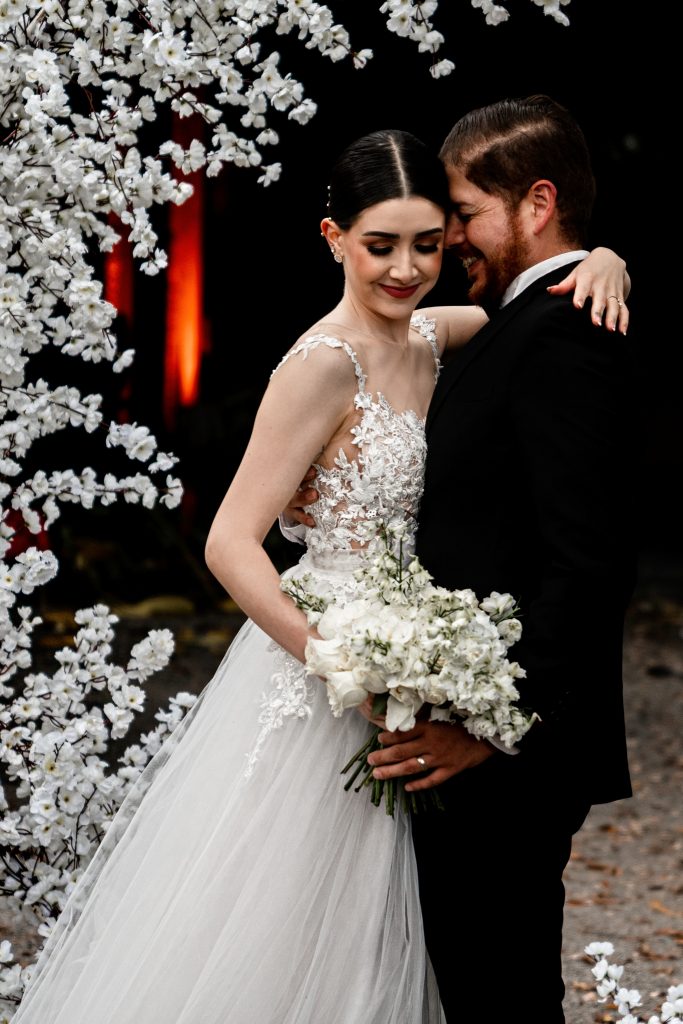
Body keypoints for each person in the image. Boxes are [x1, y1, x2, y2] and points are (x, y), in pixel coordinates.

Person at [10, 126, 630, 1024]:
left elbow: (533, 312)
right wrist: (333, 658)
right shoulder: (319, 366)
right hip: (328, 673)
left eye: (427, 243)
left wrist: (606, 260)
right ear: (334, 237)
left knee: (415, 935)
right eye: (380, 245)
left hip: (421, 666)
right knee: (292, 930)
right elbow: (230, 541)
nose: (407, 268)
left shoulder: (435, 334)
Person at [285, 98, 637, 1023]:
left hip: (504, 751)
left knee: (498, 993)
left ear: (537, 204)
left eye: (462, 217)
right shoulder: (508, 321)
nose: (444, 243)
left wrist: (488, 730)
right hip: (447, 723)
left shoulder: (564, 332)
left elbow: (587, 565)